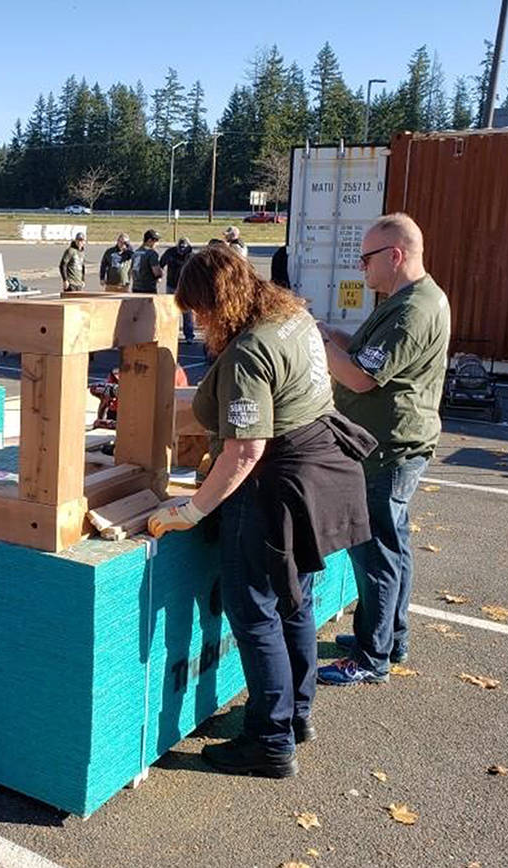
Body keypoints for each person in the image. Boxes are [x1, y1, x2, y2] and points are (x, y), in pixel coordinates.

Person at [147, 245, 373, 778]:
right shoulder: (292, 316)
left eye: (200, 313)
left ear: (216, 305)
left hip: (278, 480)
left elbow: (245, 450)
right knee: (295, 600)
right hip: (319, 463)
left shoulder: (249, 351)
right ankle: (295, 714)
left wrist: (194, 510)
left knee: (254, 611)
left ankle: (268, 741)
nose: (199, 324)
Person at [315, 213, 450, 687]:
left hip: (389, 448)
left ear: (395, 256)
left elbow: (359, 376)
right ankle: (390, 636)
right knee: (394, 546)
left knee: (375, 553)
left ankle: (372, 657)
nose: (361, 268)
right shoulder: (403, 300)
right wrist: (329, 332)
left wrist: (313, 344)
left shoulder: (415, 309)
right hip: (390, 444)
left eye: (366, 258)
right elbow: (364, 354)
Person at [160, 237, 196, 343]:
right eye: (180, 249)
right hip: (171, 285)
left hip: (186, 287)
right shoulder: (170, 253)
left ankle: (189, 335)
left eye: (184, 249)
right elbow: (161, 264)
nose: (182, 252)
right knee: (170, 311)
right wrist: (159, 276)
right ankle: (169, 333)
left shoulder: (192, 255)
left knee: (187, 312)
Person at [130, 229, 163, 293]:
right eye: (156, 241)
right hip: (148, 288)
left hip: (136, 287)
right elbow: (156, 271)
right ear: (150, 240)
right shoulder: (151, 253)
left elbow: (131, 270)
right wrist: (160, 275)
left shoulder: (136, 252)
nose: (157, 243)